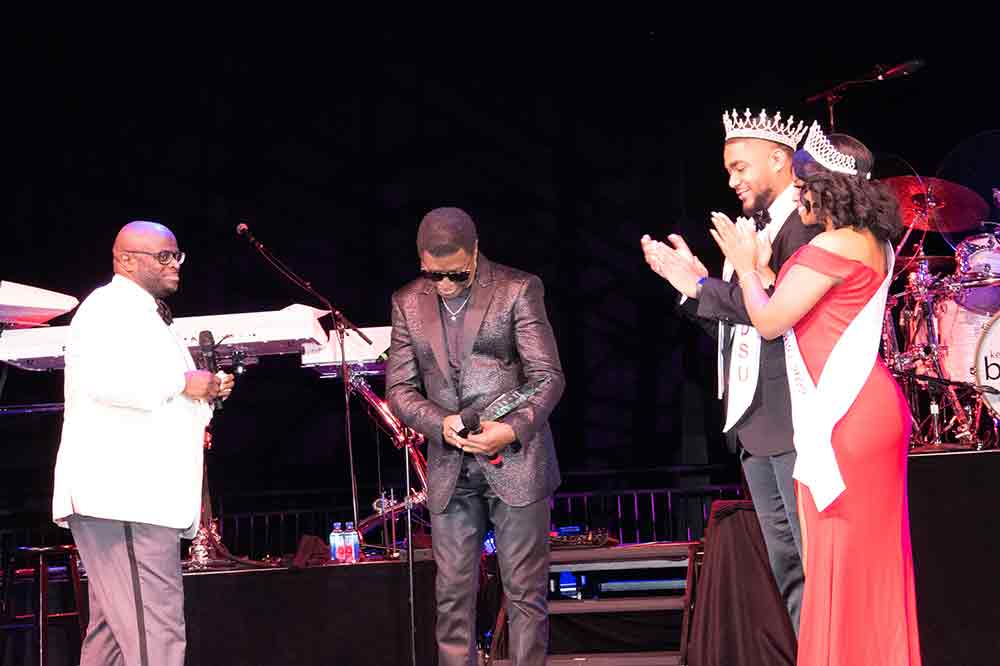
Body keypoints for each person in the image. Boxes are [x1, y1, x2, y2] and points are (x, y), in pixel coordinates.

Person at [709, 123, 921, 665]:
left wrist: (749, 264)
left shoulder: (829, 244)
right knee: (870, 559)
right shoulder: (874, 242)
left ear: (825, 187)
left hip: (844, 416)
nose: (797, 195)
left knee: (838, 558)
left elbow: (772, 320)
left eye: (802, 186)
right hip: (871, 406)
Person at [641, 108, 817, 632]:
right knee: (789, 571)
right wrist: (692, 285)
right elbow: (736, 330)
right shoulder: (749, 232)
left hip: (794, 418)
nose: (733, 180)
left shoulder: (806, 227)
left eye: (741, 168)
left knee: (814, 565)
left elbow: (777, 312)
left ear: (780, 159)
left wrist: (706, 287)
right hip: (753, 422)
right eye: (728, 171)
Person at [386, 207, 564, 666]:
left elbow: (548, 377)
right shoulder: (408, 301)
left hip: (517, 461)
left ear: (476, 250)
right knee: (451, 599)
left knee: (525, 597)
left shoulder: (518, 289)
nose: (443, 284)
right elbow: (400, 389)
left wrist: (509, 430)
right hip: (451, 467)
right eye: (434, 274)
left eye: (455, 274)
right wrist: (437, 422)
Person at [52, 221, 235, 666]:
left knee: (114, 636)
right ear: (126, 260)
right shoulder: (108, 307)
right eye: (163, 256)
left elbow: (162, 396)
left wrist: (203, 392)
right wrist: (184, 382)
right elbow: (107, 382)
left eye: (177, 255)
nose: (174, 265)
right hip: (126, 501)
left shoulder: (142, 313)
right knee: (156, 632)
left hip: (132, 502)